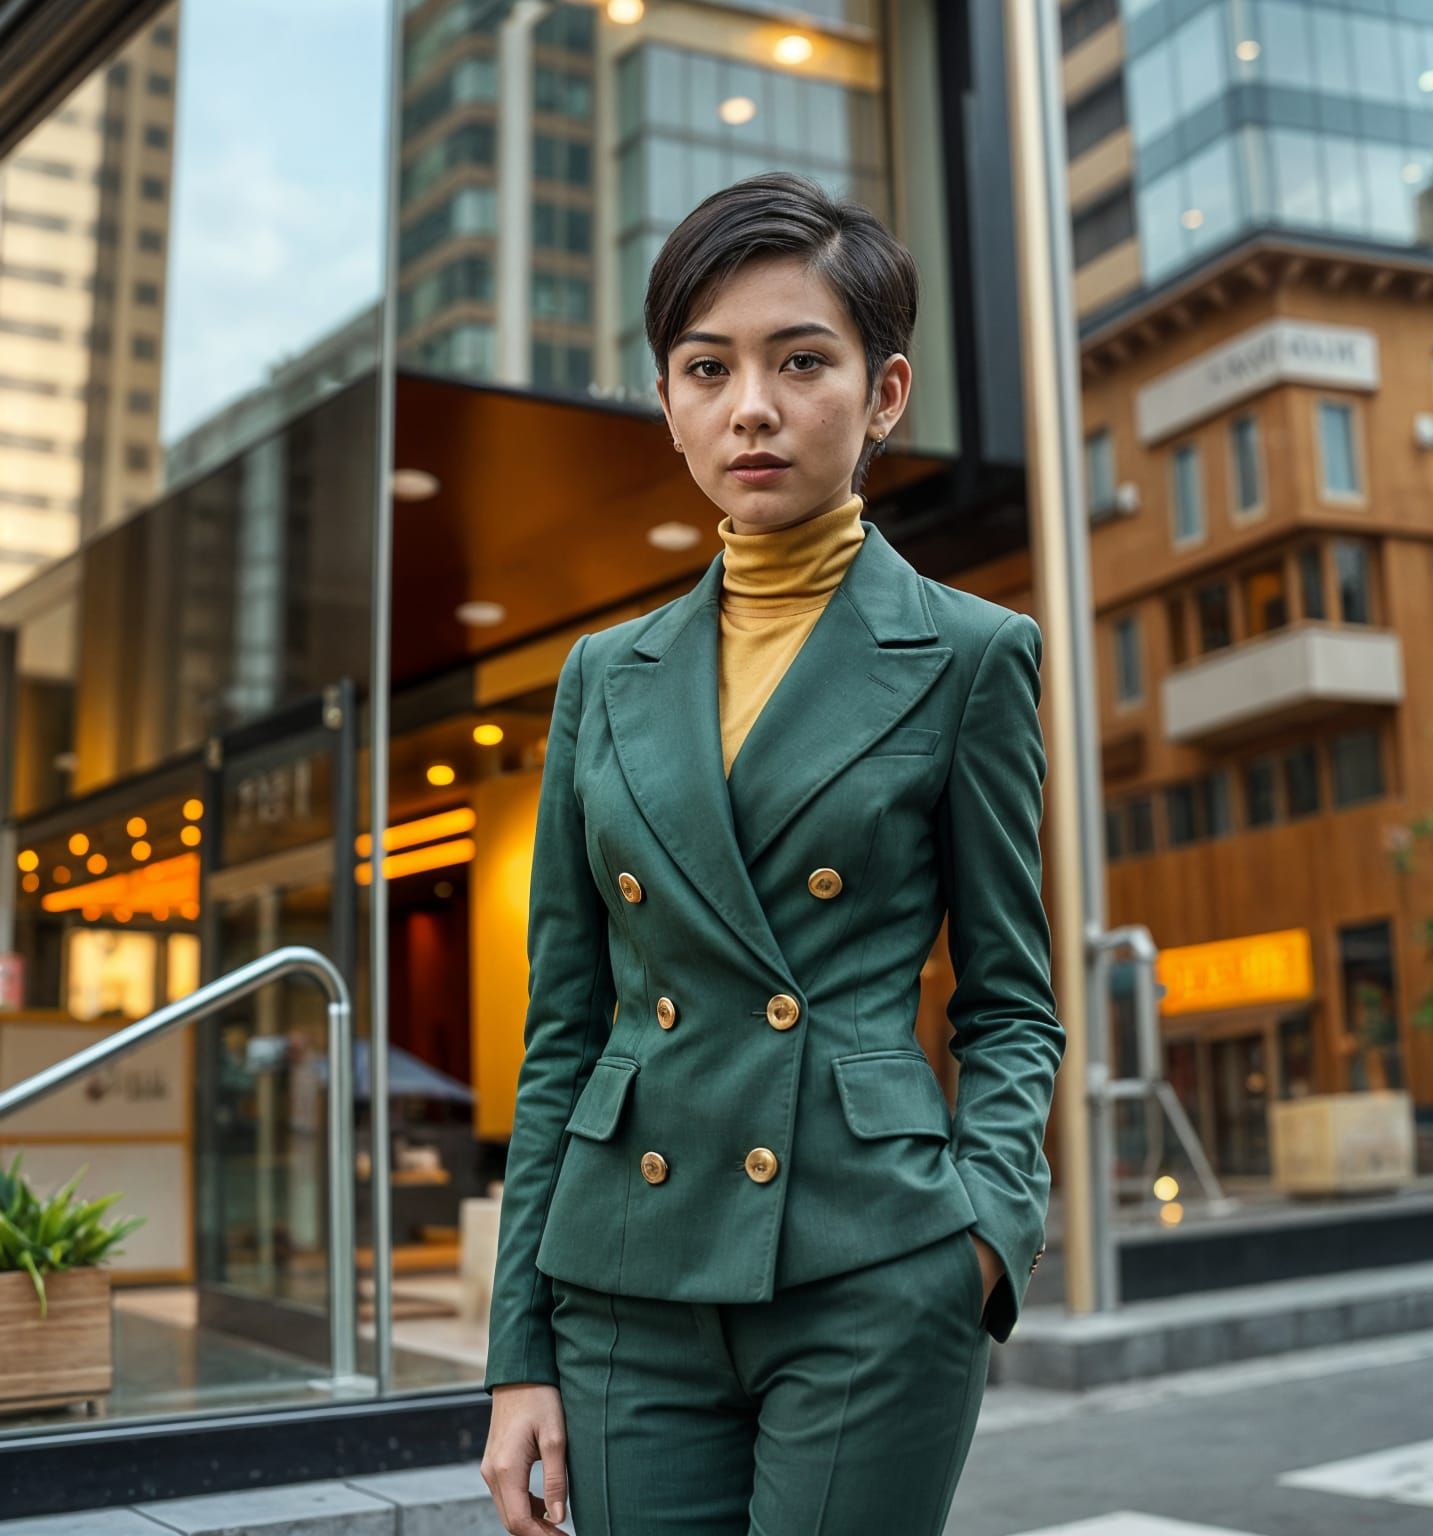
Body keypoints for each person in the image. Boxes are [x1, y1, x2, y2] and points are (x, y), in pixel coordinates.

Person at [480, 170, 1063, 1536]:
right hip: (625, 1281)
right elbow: (565, 1024)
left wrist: (979, 1240)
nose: (753, 405)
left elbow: (1011, 998)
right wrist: (520, 1347)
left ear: (883, 393)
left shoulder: (972, 657)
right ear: (670, 402)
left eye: (802, 360)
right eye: (707, 367)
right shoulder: (601, 675)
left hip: (873, 1261)